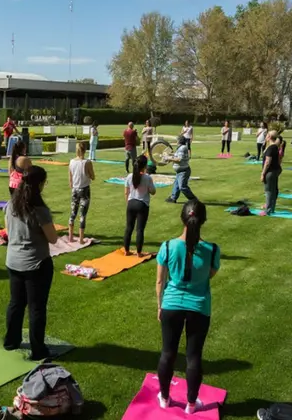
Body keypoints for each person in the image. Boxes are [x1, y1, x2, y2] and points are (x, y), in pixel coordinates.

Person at [155, 200, 220, 415]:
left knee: (168, 353)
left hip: (171, 305)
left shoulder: (167, 246)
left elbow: (160, 282)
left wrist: (159, 306)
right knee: (194, 356)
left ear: (182, 218)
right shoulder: (212, 250)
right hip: (199, 308)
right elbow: (210, 274)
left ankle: (164, 398)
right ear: (203, 221)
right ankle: (191, 404)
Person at [3, 165, 58, 361]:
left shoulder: (11, 204)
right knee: (36, 308)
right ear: (39, 184)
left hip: (13, 260)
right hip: (36, 264)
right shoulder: (39, 210)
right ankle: (38, 349)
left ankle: (11, 341)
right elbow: (53, 239)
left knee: (16, 303)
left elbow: (9, 230)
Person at [124, 155, 156, 257]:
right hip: (142, 204)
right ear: (145, 166)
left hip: (131, 203)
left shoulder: (129, 176)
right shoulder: (147, 178)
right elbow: (153, 191)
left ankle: (126, 251)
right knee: (140, 229)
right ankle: (138, 252)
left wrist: (128, 203)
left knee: (129, 228)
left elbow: (126, 192)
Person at [68, 142, 95, 244]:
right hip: (84, 190)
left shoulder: (71, 162)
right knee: (82, 214)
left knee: (73, 213)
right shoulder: (87, 162)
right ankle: (81, 239)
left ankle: (70, 237)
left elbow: (70, 179)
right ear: (85, 150)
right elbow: (93, 176)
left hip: (75, 189)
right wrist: (88, 175)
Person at [165, 136, 197, 204]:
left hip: (183, 171)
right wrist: (170, 155)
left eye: (177, 140)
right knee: (176, 185)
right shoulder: (181, 148)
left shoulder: (182, 148)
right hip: (181, 171)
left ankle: (193, 199)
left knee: (182, 187)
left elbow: (179, 159)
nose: (176, 142)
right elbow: (178, 156)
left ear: (179, 141)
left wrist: (169, 158)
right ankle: (173, 198)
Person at [261, 131, 282, 215]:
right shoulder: (275, 147)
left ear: (269, 136)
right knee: (273, 190)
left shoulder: (271, 148)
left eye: (266, 135)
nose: (265, 137)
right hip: (275, 170)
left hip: (270, 172)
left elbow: (267, 162)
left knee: (269, 191)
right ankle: (271, 209)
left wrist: (263, 173)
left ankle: (268, 210)